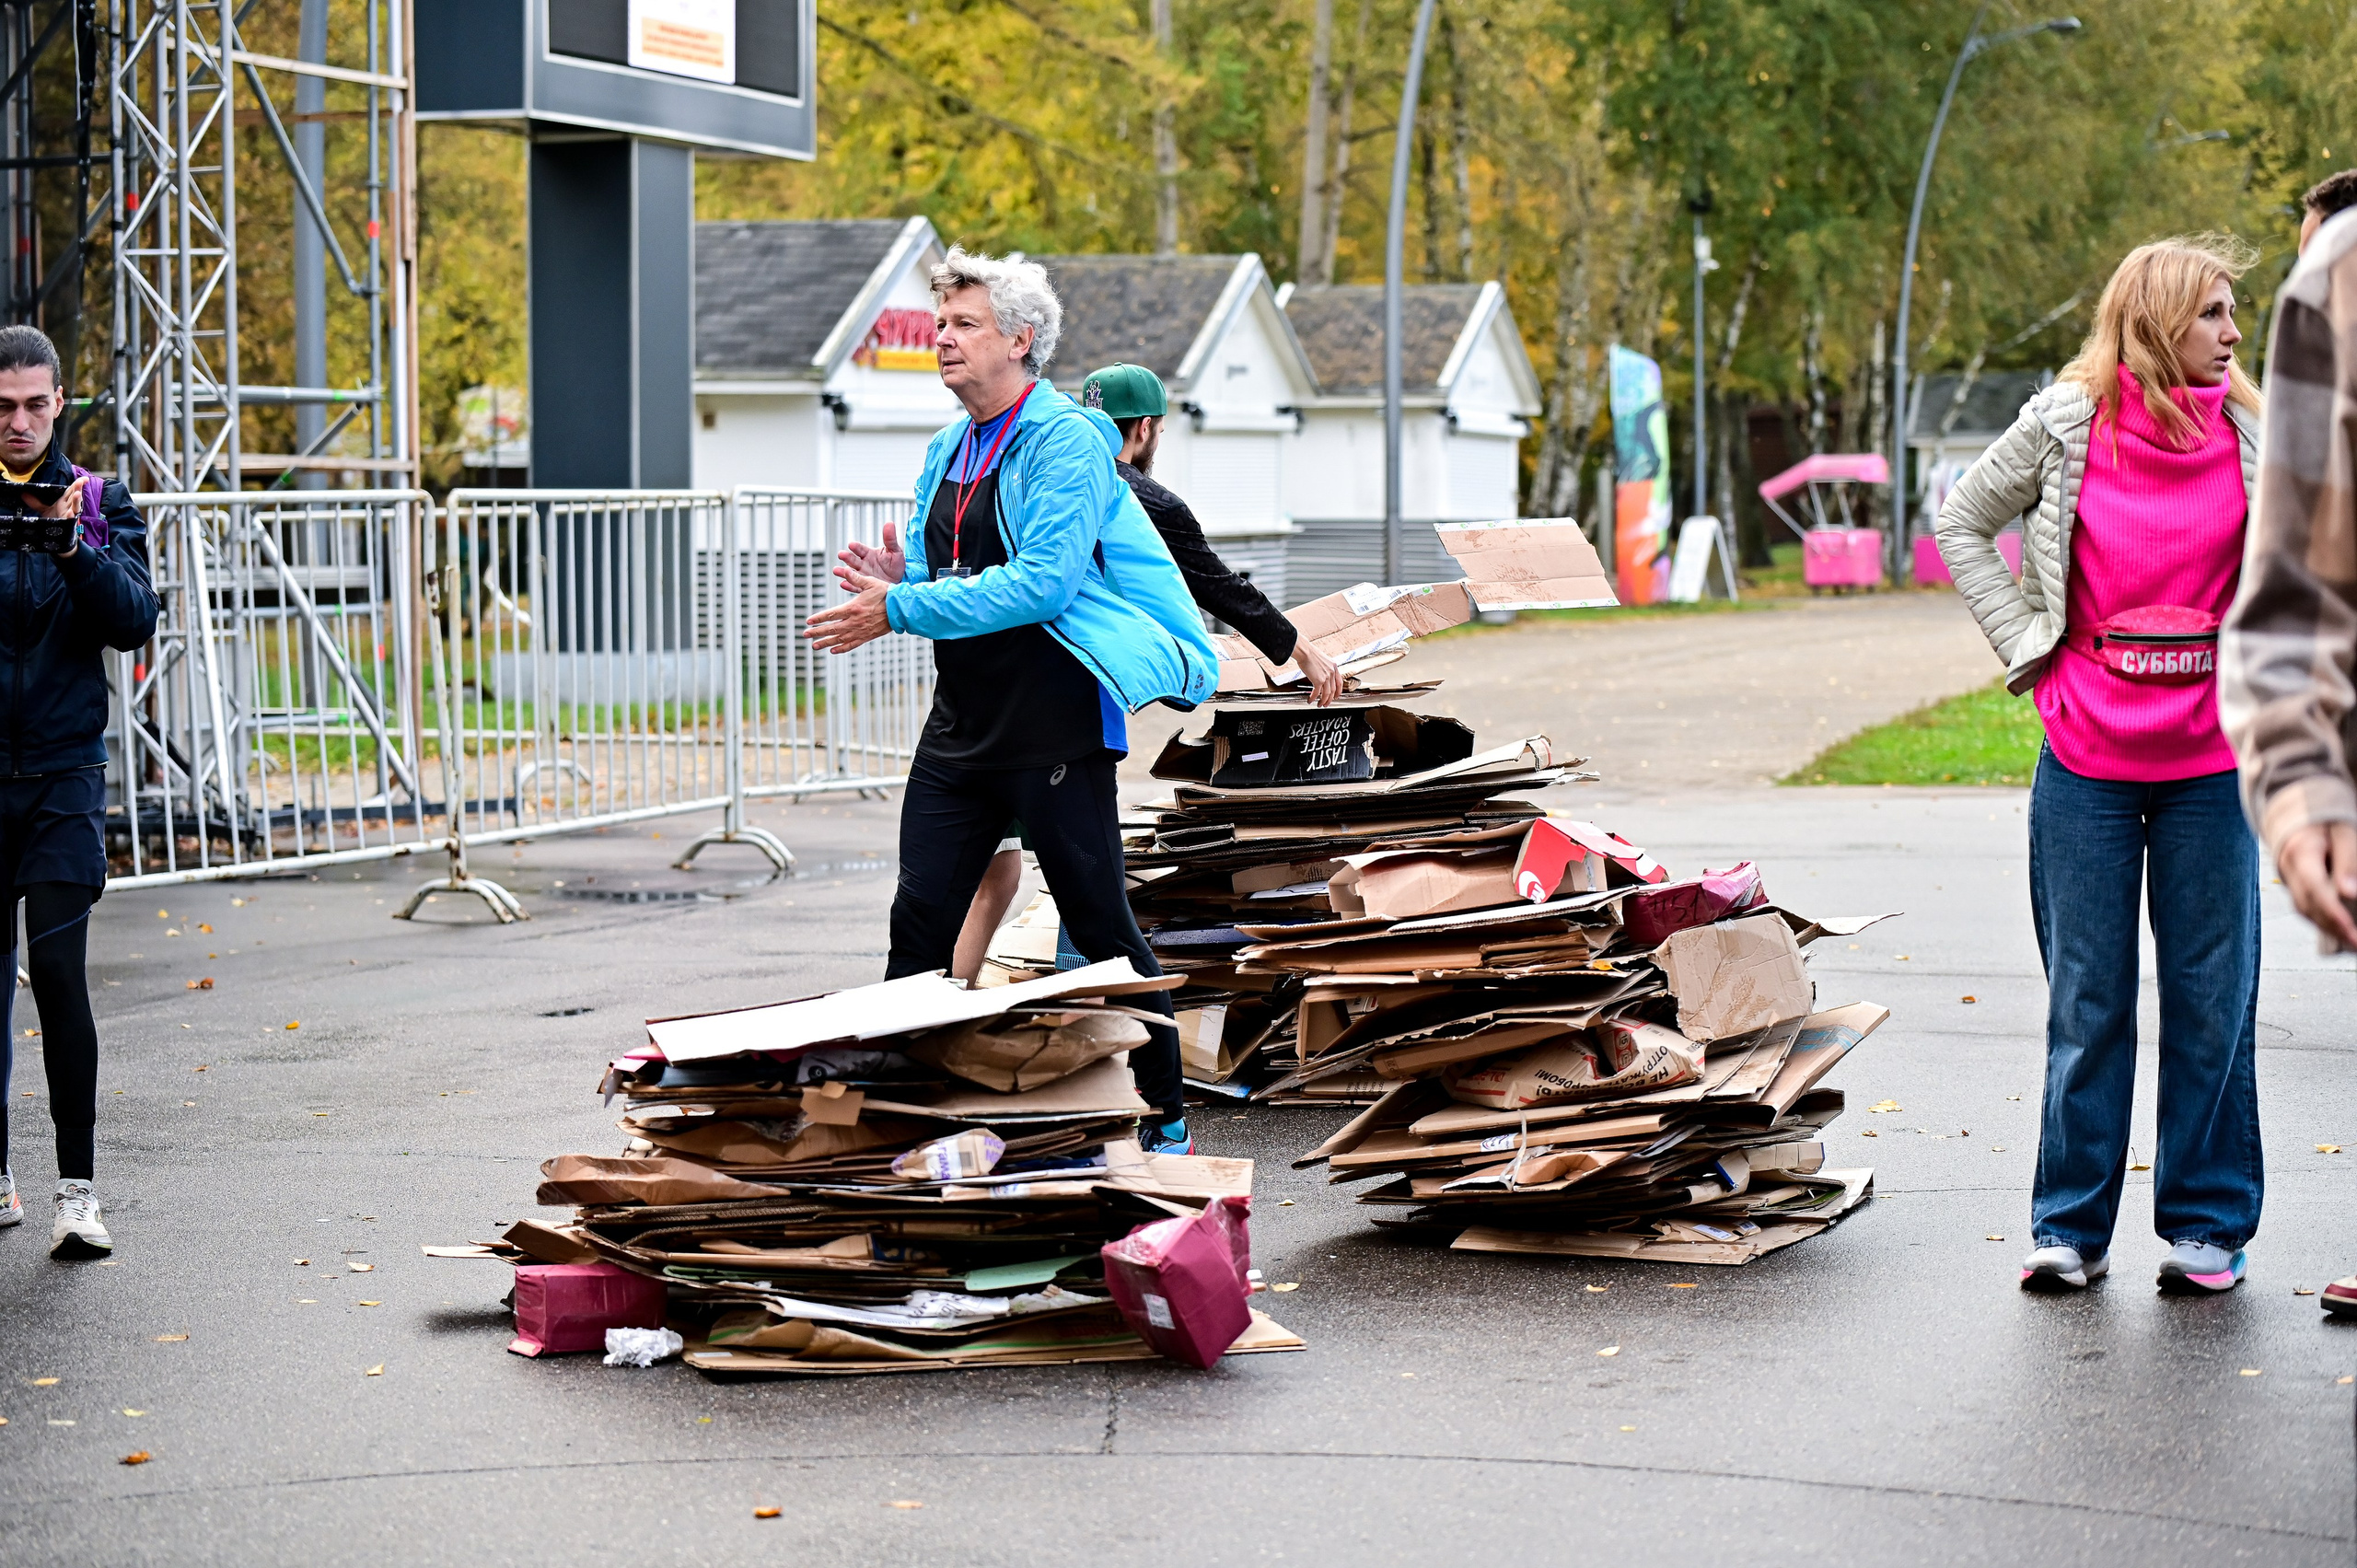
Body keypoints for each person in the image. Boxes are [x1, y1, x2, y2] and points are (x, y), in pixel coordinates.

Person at [807, 249, 1218, 1155]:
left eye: (963, 323)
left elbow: (1041, 583)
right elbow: (945, 571)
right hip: (964, 725)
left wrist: (901, 604)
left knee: (1100, 928)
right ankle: (895, 1119)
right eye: (941, 322)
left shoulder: (1069, 440)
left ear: (1020, 340)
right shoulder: (947, 447)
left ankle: (1165, 1111)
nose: (941, 338)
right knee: (918, 917)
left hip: (1056, 722)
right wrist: (898, 576)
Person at [1938, 235, 2264, 1295]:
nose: (2231, 332)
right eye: (2213, 312)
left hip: (2212, 760)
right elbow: (1962, 520)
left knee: (2213, 995)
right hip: (2085, 754)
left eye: (2233, 313)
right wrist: (2032, 653)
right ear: (2158, 318)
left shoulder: (2256, 431)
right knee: (2089, 996)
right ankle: (2068, 1229)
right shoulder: (2066, 421)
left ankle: (2206, 1225)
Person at [946, 362, 1344, 982]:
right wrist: (1299, 649)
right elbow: (1216, 585)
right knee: (1087, 880)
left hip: (979, 701)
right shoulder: (1138, 496)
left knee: (995, 876)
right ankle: (1089, 1031)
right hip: (1060, 715)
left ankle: (937, 1012)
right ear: (1149, 428)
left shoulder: (1029, 468)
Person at [2220, 180, 2357, 1318]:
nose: (2230, 326)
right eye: (2210, 310)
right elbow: (2292, 592)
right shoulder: (2339, 280)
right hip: (2126, 757)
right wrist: (2302, 779)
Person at [0, 323, 158, 1258]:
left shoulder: (99, 500)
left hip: (63, 773)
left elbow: (135, 619)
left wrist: (70, 546)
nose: (18, 422)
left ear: (59, 402)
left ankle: (77, 1189)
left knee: (58, 975)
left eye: (33, 404)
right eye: (3, 407)